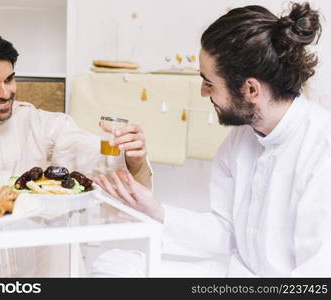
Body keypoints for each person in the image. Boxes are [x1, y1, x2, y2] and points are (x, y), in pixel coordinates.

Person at [92, 2, 331, 277]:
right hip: (236, 273)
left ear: (250, 88)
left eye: (209, 83)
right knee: (113, 266)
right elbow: (225, 233)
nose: (203, 93)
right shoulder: (242, 136)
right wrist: (155, 210)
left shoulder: (322, 149)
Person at [0, 31, 152, 277]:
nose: (5, 93)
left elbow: (95, 158)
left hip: (40, 270)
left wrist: (131, 157)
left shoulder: (44, 125)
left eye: (9, 79)